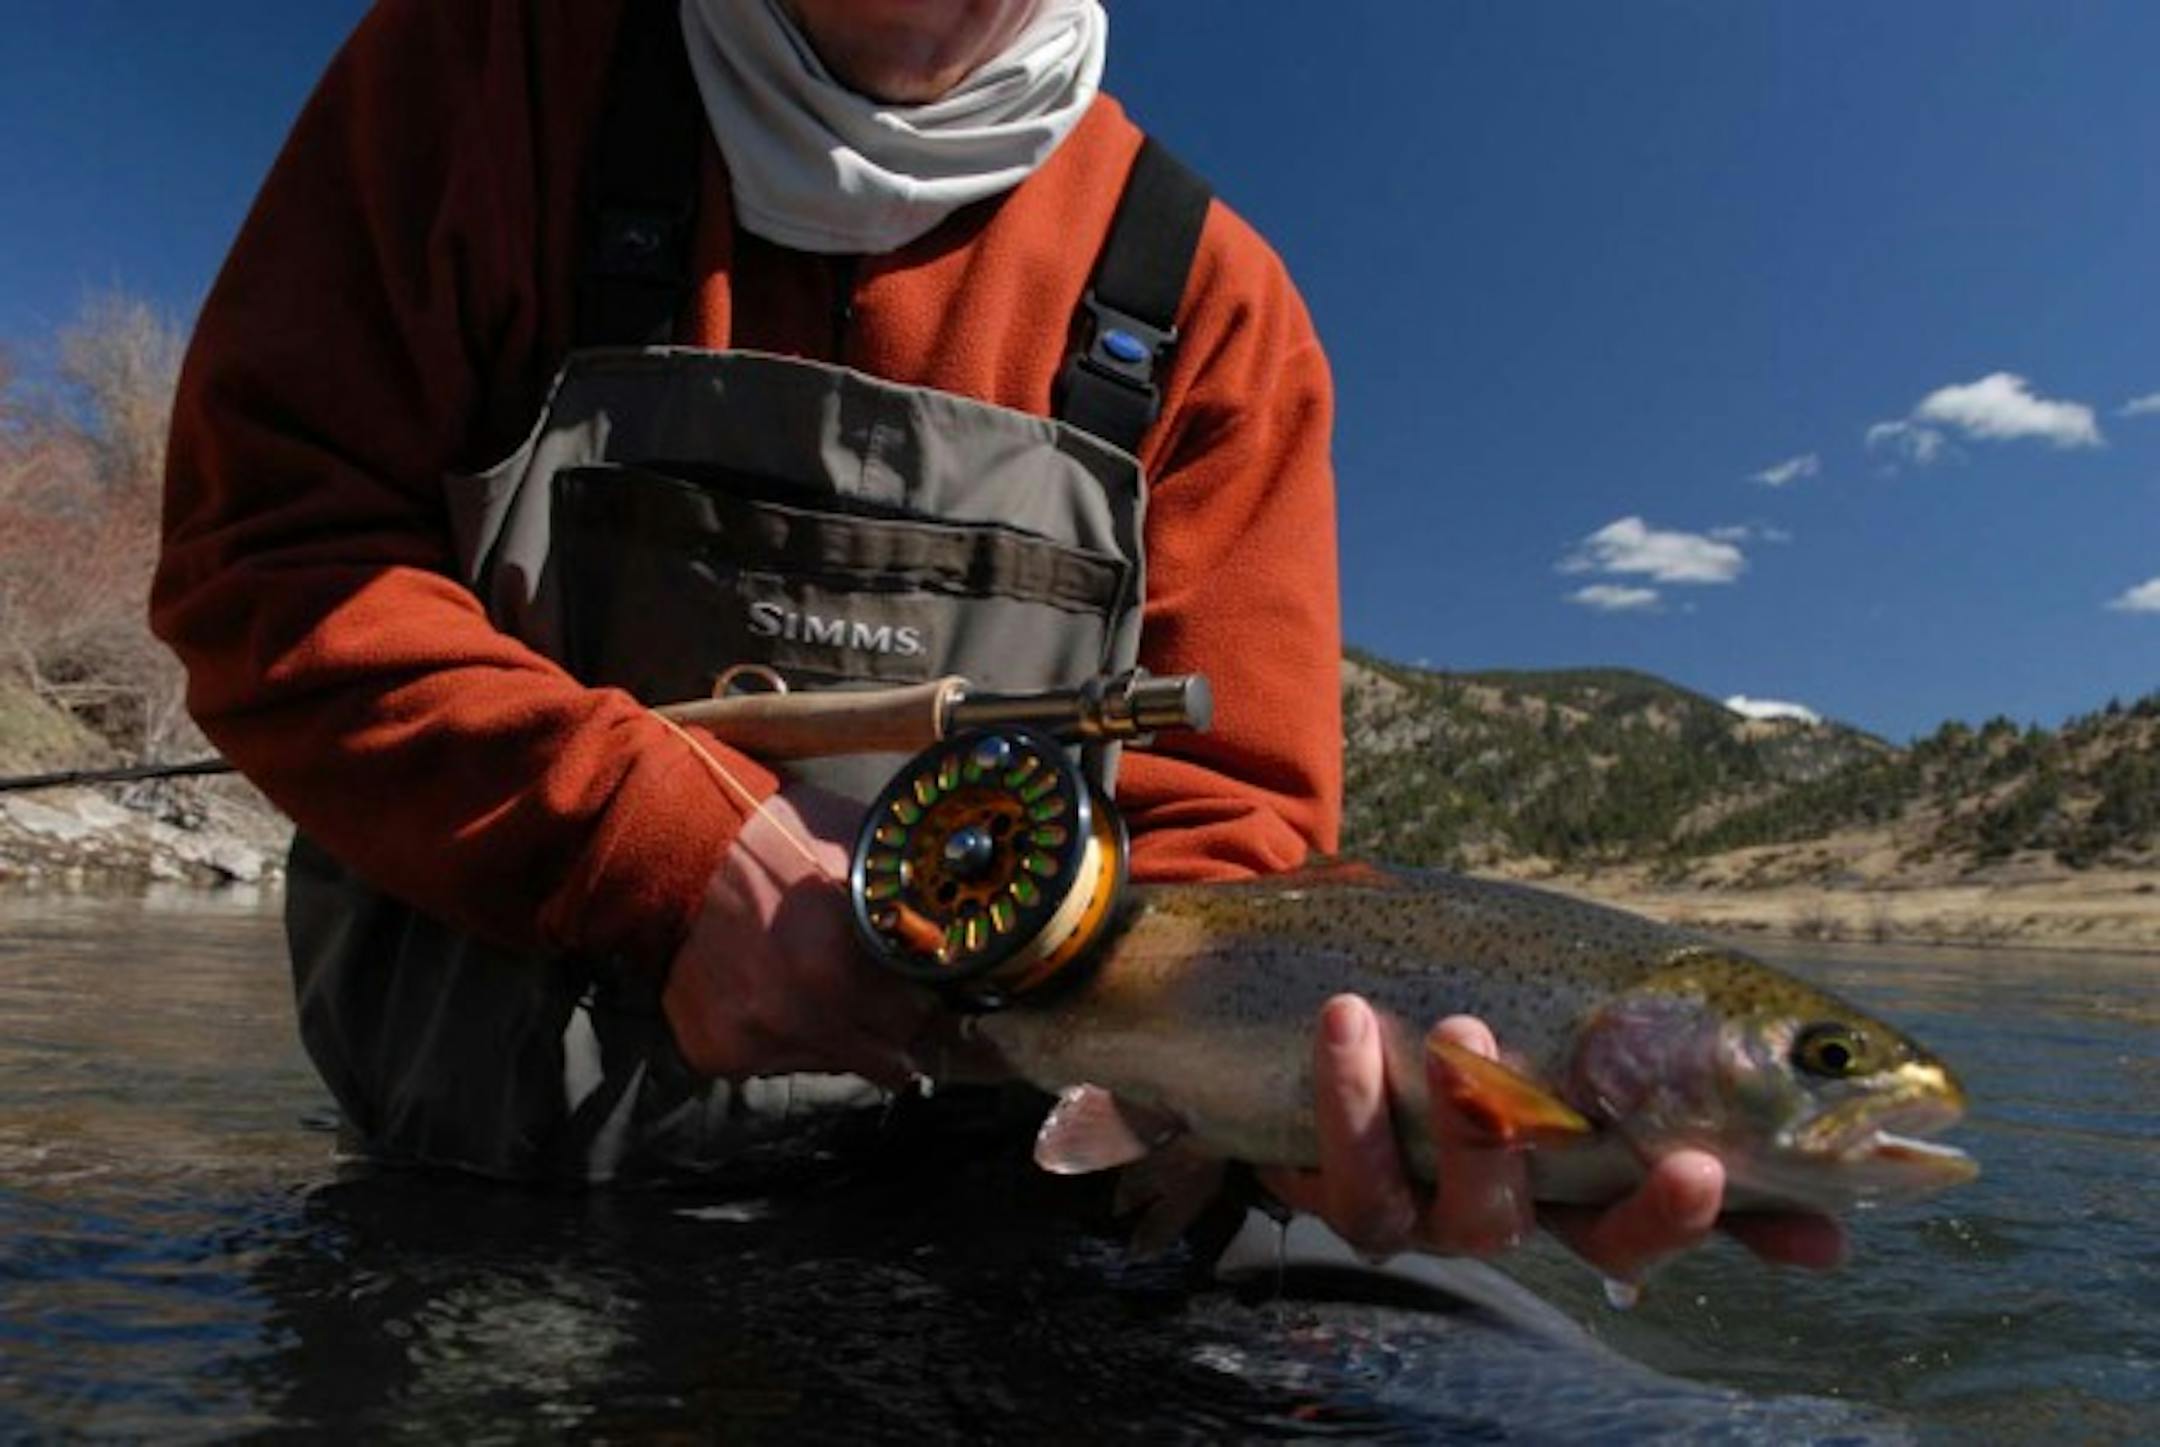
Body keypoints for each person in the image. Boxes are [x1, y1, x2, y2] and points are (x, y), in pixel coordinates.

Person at [152, 0, 1836, 1289]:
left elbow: (1232, 836)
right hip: (498, 1197)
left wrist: (1276, 1119)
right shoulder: (485, 72)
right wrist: (655, 851)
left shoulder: (1213, 304)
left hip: (1030, 1209)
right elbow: (269, 563)